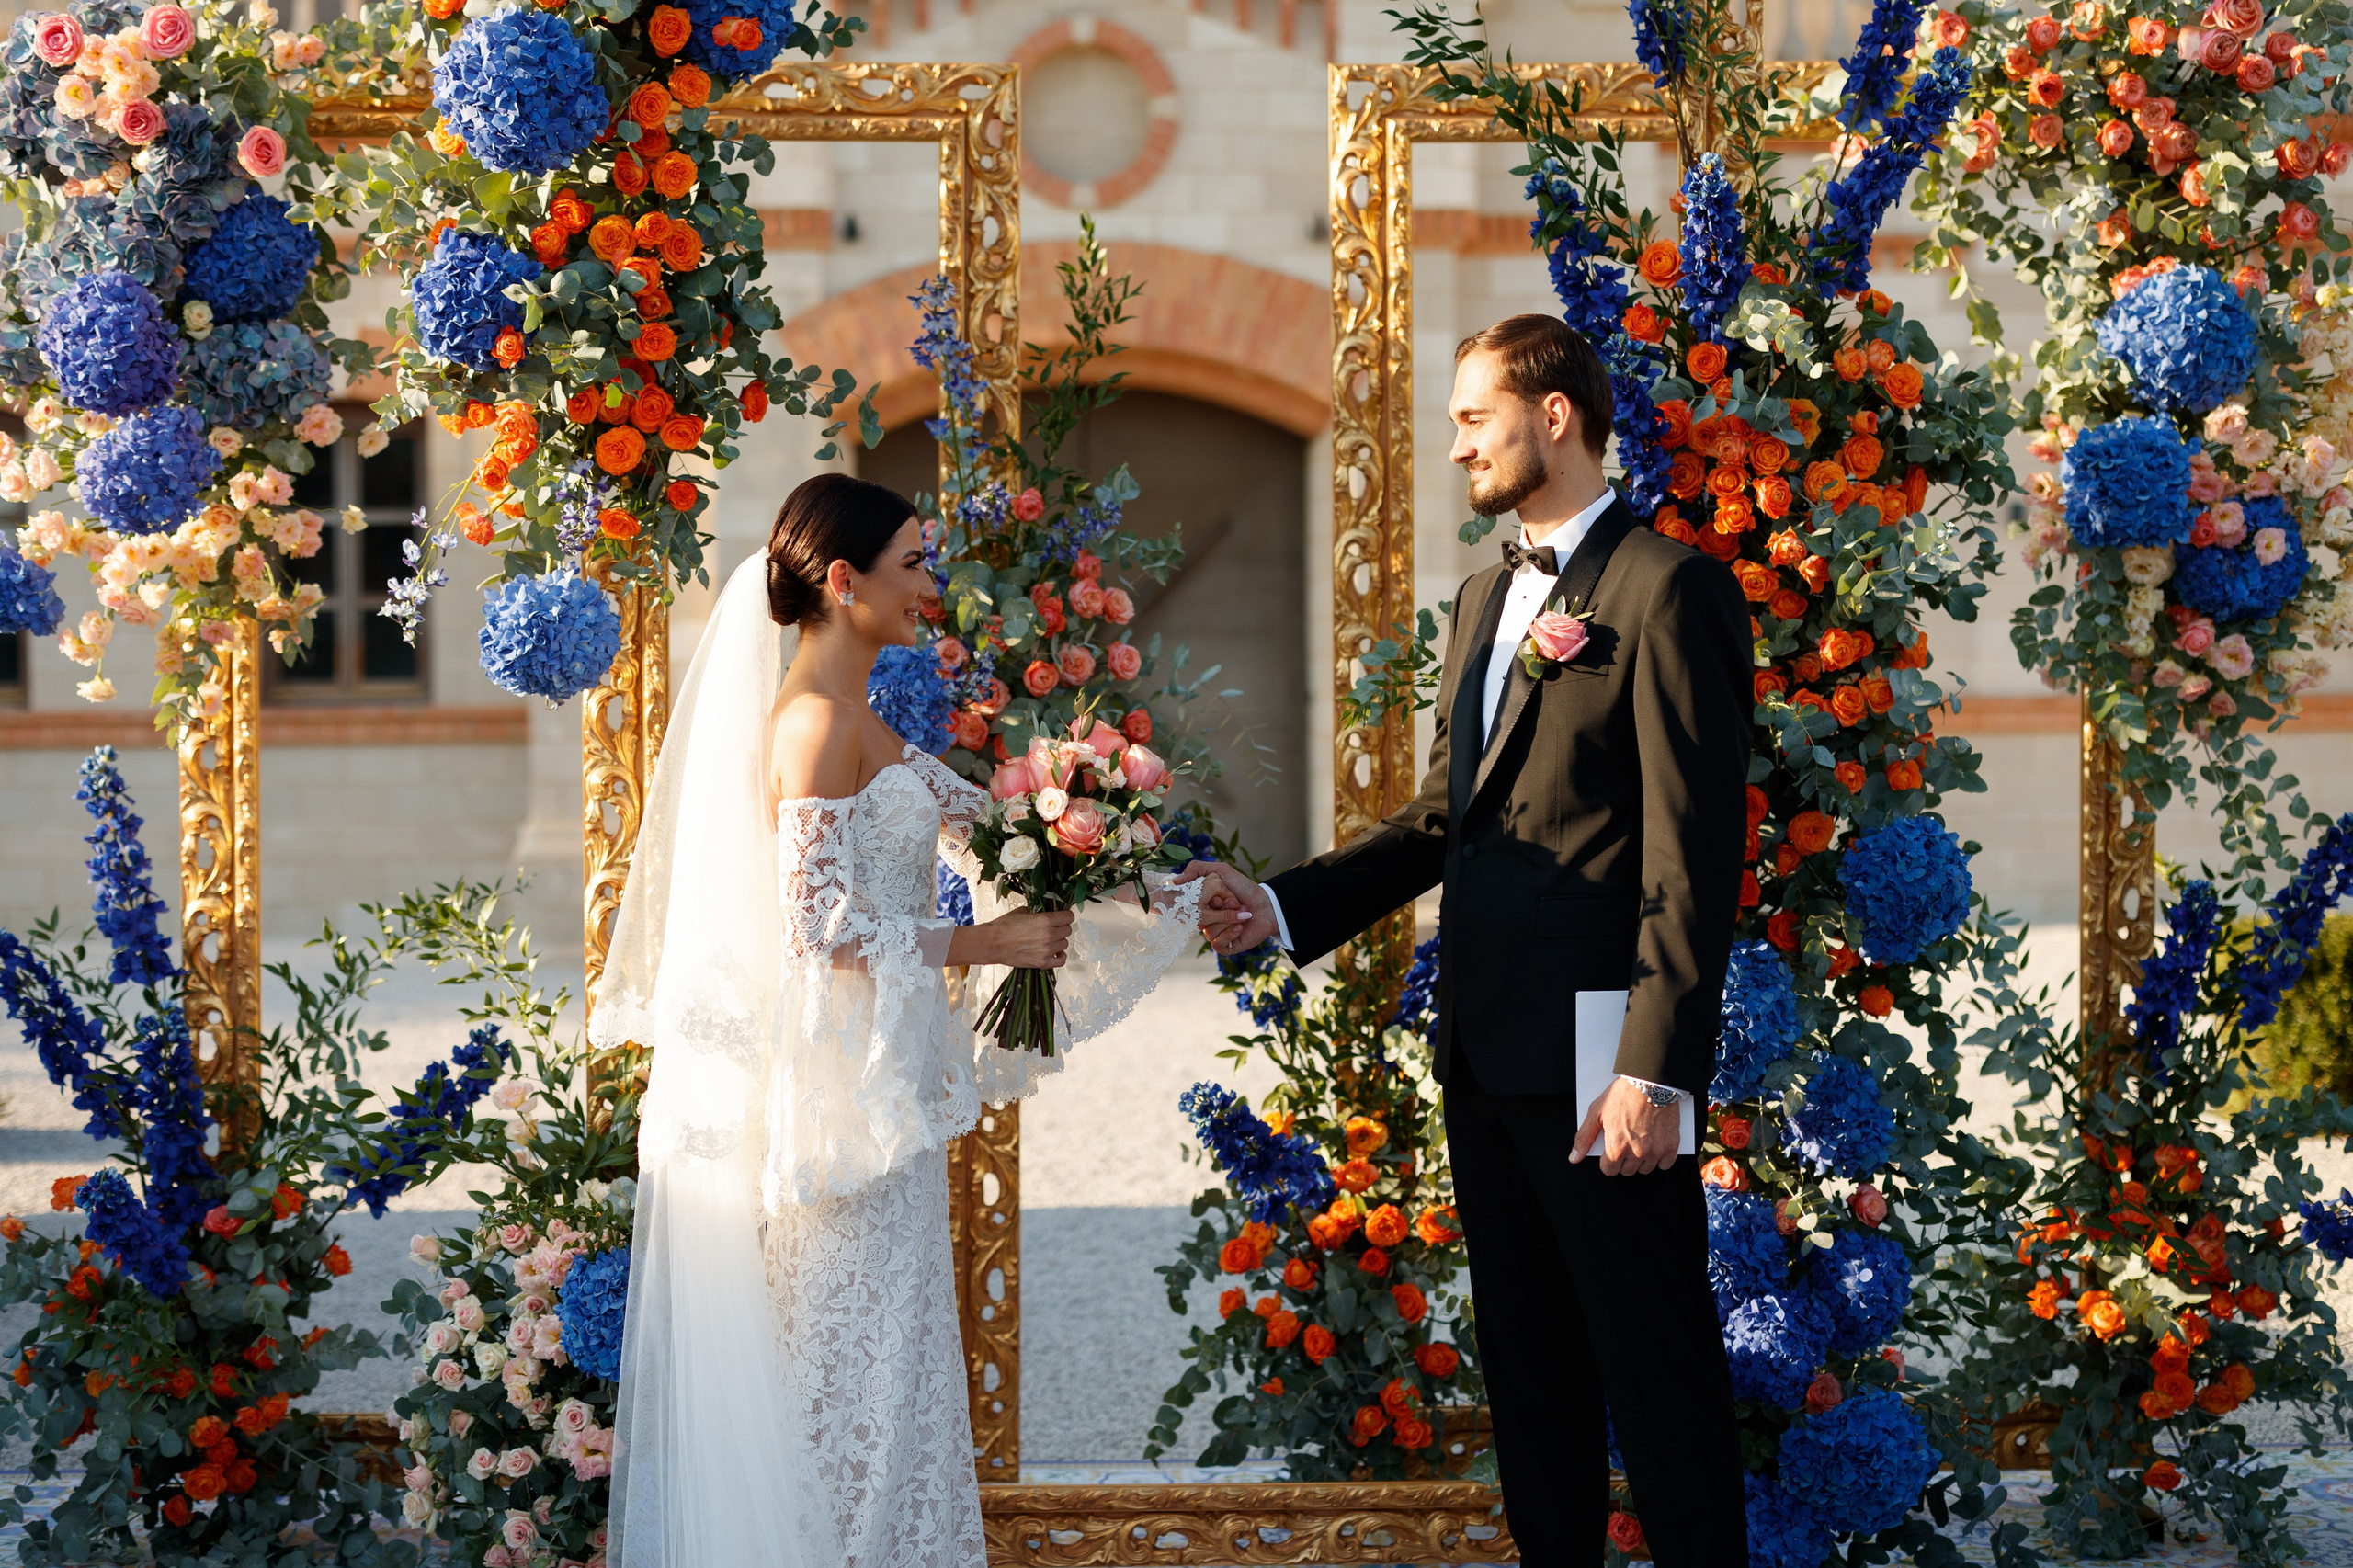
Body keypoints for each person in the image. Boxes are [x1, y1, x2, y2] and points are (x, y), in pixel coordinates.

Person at [1183, 315, 1753, 1567]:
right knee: (1534, 1383)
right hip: (1484, 1053)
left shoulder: (1668, 590)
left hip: (1609, 1063)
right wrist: (1281, 906)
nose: (1455, 449)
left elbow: (1691, 856)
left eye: (1472, 419)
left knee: (1655, 1371)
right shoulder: (1487, 594)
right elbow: (1449, 814)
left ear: (1555, 415)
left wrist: (1657, 1070)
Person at [590, 473, 1199, 1567]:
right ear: (842, 578)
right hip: (843, 1127)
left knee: (891, 1368)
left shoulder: (858, 714)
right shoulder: (817, 725)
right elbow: (813, 928)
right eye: (913, 563)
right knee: (851, 1373)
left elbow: (987, 831)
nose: (932, 584)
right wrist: (988, 944)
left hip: (884, 1113)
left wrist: (1136, 864)